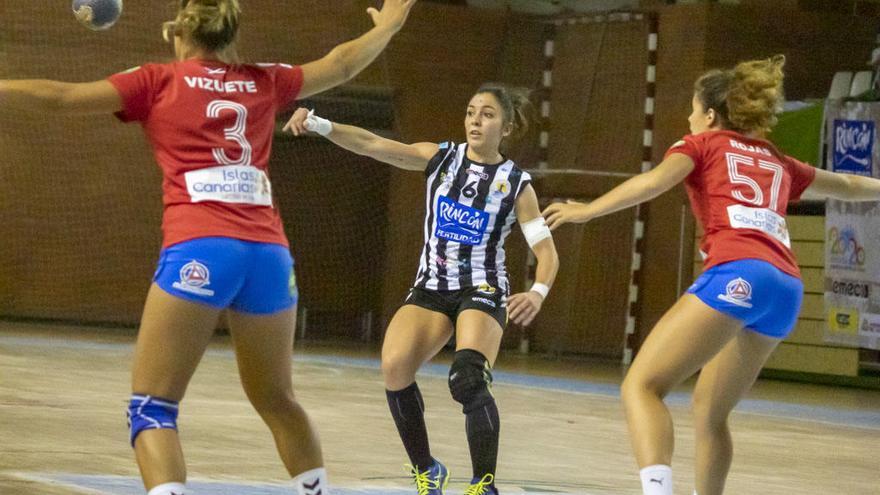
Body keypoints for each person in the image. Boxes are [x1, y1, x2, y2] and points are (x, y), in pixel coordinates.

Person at [0, 1, 416, 494]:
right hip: (268, 254)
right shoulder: (265, 79)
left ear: (177, 28)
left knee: (153, 406)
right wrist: (390, 25)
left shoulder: (157, 80)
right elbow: (342, 63)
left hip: (201, 246)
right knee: (278, 399)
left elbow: (61, 96)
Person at [542, 54, 880, 495]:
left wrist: (587, 209)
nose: (688, 116)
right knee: (710, 412)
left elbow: (653, 184)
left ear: (710, 114)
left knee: (642, 386)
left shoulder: (698, 145)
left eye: (692, 107)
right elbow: (851, 186)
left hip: (739, 273)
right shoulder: (776, 159)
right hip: (786, 287)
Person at [284, 83, 559, 495]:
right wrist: (322, 124)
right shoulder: (440, 158)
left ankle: (484, 485)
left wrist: (537, 291)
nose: (475, 121)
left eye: (486, 114)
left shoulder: (517, 185)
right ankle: (427, 469)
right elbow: (372, 144)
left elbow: (546, 250)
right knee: (394, 367)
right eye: (470, 112)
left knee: (467, 379)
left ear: (506, 126)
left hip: (481, 288)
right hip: (431, 287)